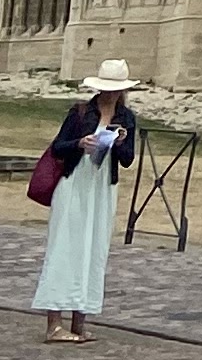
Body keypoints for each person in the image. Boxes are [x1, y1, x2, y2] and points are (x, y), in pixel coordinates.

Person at [31, 64, 138, 342]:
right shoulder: (80, 112)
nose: (111, 95)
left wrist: (119, 143)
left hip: (102, 188)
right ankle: (54, 324)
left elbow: (128, 159)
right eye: (107, 89)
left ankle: (80, 322)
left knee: (94, 250)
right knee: (64, 247)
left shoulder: (126, 118)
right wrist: (80, 143)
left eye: (116, 90)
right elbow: (58, 147)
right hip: (74, 183)